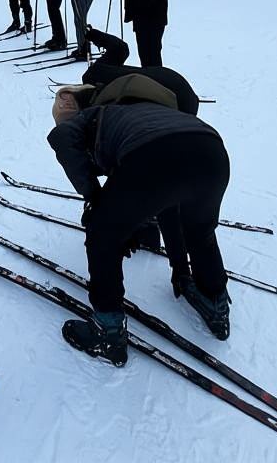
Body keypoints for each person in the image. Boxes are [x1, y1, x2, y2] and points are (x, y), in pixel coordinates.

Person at [47, 82, 231, 366]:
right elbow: (164, 201)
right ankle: (214, 299)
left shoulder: (88, 118)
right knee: (199, 230)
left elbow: (61, 138)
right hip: (211, 151)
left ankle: (106, 330)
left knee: (101, 236)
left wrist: (97, 201)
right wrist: (133, 226)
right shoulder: (134, 113)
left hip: (153, 155)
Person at [81, 28, 199, 115]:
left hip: (174, 95)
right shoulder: (99, 68)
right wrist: (94, 34)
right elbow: (120, 48)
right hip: (171, 80)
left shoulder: (97, 94)